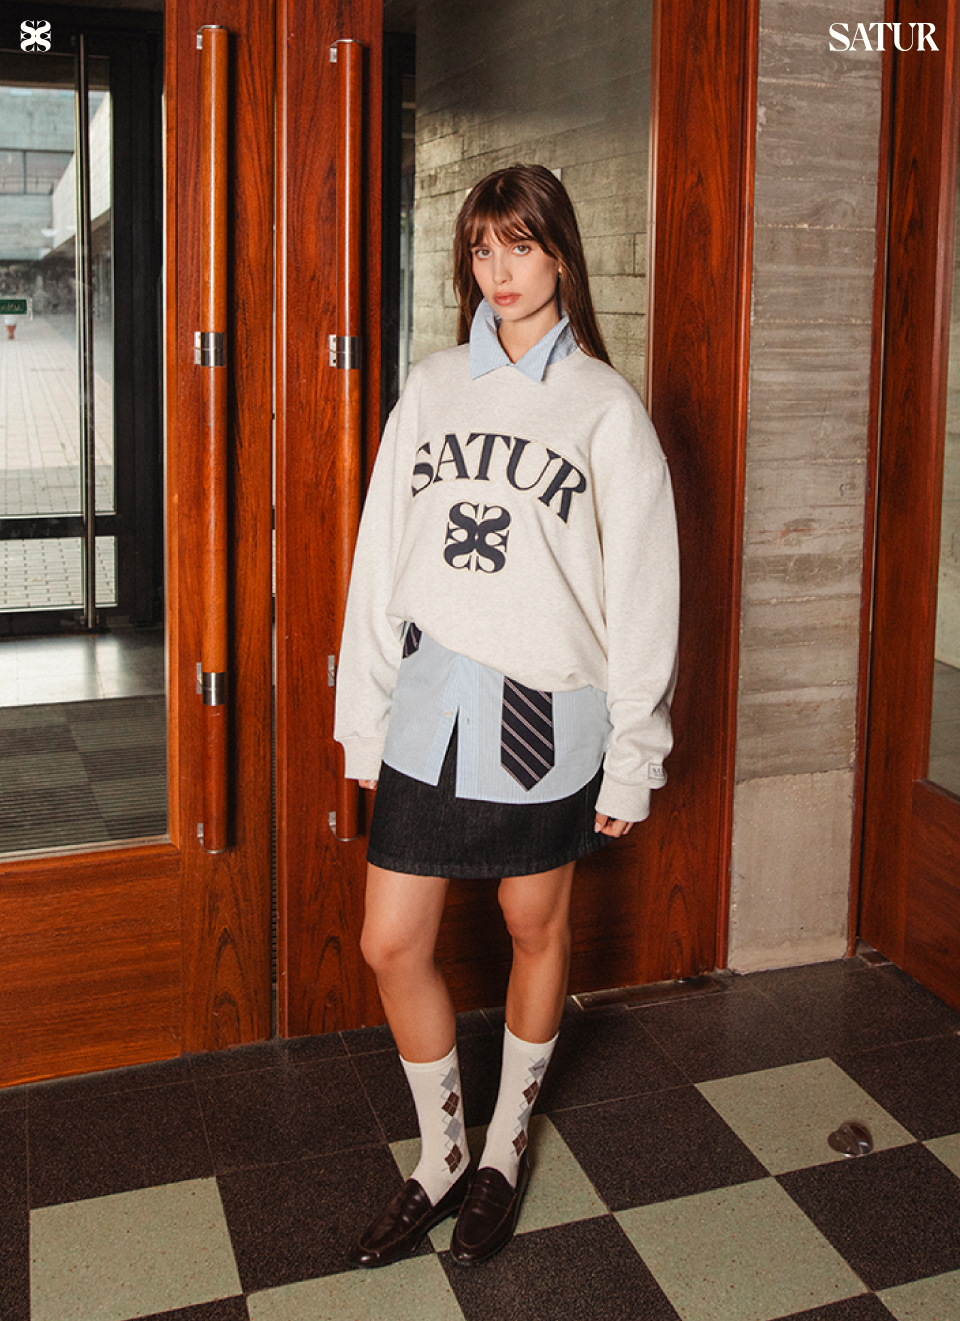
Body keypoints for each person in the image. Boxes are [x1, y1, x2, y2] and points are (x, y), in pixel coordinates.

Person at [334, 163, 679, 1268]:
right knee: (390, 940)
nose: (501, 271)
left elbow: (644, 591)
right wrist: (364, 717)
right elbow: (379, 560)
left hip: (545, 716)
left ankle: (503, 1147)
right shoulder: (433, 388)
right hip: (431, 707)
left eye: (520, 246)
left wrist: (634, 756)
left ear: (561, 254)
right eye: (483, 249)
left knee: (535, 925)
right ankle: (441, 1153)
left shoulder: (605, 408)